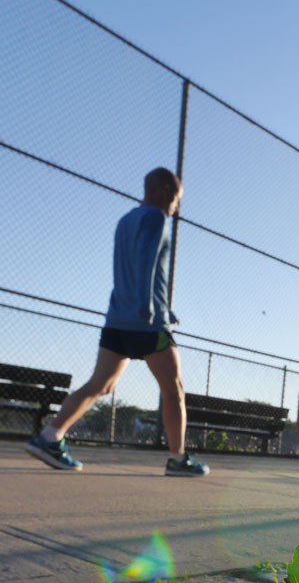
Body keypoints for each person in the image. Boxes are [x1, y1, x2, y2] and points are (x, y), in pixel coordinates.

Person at [25, 167, 209, 475]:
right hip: (147, 323)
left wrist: (163, 307)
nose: (177, 207)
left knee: (101, 384)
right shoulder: (156, 218)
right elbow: (147, 263)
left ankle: (49, 436)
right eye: (177, 199)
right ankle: (178, 460)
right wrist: (149, 308)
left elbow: (131, 270)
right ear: (165, 191)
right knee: (173, 389)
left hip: (117, 320)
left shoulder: (125, 221)